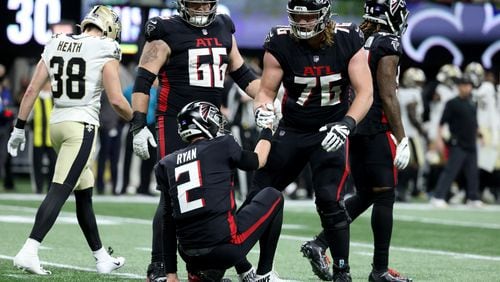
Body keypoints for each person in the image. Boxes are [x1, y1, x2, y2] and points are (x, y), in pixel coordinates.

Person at [128, 0, 260, 280]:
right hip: (175, 121)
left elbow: (243, 74)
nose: (200, 8)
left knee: (221, 192)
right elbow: (143, 80)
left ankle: (218, 267)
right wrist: (138, 125)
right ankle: (159, 265)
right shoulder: (165, 30)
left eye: (205, 3)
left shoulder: (224, 25)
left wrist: (270, 98)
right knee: (171, 196)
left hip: (211, 123)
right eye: (194, 3)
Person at [249, 0, 373, 280]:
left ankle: (342, 271)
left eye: (309, 17)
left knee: (330, 200)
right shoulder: (280, 40)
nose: (302, 23)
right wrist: (262, 110)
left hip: (331, 130)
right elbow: (266, 91)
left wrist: (346, 124)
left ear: (325, 15)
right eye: (297, 17)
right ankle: (255, 268)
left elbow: (365, 92)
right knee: (260, 196)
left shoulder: (348, 38)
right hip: (292, 129)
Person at [7, 5, 131, 275]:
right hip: (81, 127)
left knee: (84, 192)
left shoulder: (56, 42)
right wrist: (138, 121)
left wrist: (19, 128)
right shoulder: (105, 48)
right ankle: (30, 248)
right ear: (109, 28)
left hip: (57, 124)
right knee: (60, 189)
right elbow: (117, 100)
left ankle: (101, 257)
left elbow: (31, 90)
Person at [300, 1, 413, 281]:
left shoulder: (359, 38)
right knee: (385, 195)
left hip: (354, 122)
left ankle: (320, 243)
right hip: (376, 126)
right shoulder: (388, 42)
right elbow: (387, 94)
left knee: (367, 193)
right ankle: (379, 271)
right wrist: (402, 137)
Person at [156, 101, 283, 282]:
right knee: (273, 196)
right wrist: (268, 128)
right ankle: (264, 275)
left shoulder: (166, 163)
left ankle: (207, 273)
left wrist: (171, 274)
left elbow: (167, 222)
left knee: (223, 214)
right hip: (224, 250)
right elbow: (259, 160)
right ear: (205, 123)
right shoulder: (223, 144)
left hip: (188, 254)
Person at [429, 75, 484, 208]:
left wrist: (480, 136)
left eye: (469, 85)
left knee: (473, 173)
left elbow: (474, 123)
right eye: (464, 85)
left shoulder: (472, 103)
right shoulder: (452, 103)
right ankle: (438, 197)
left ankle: (473, 197)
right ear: (459, 87)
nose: (467, 88)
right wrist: (439, 140)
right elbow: (441, 123)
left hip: (471, 143)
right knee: (450, 171)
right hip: (458, 143)